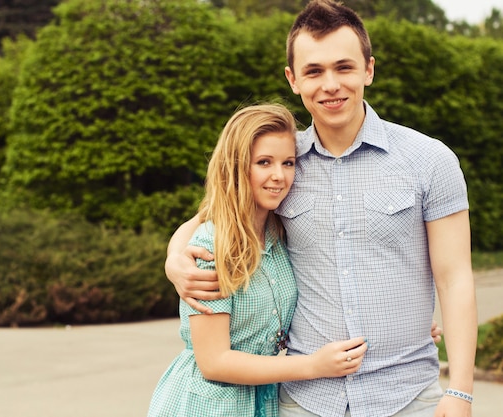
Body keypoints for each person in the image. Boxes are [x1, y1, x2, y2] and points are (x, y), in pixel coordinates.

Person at [164, 1, 477, 416]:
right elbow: (216, 211)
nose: (330, 84)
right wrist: (174, 258)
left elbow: (454, 279)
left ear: (368, 70)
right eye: (314, 71)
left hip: (407, 396)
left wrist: (460, 391)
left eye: (343, 67)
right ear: (293, 80)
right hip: (305, 401)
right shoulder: (283, 163)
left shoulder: (429, 160)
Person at [148, 103, 369, 417]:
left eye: (288, 163)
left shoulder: (280, 232)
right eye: (264, 162)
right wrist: (313, 366)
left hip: (263, 400)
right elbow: (214, 362)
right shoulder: (213, 244)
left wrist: (389, 326)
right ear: (238, 167)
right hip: (206, 405)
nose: (279, 176)